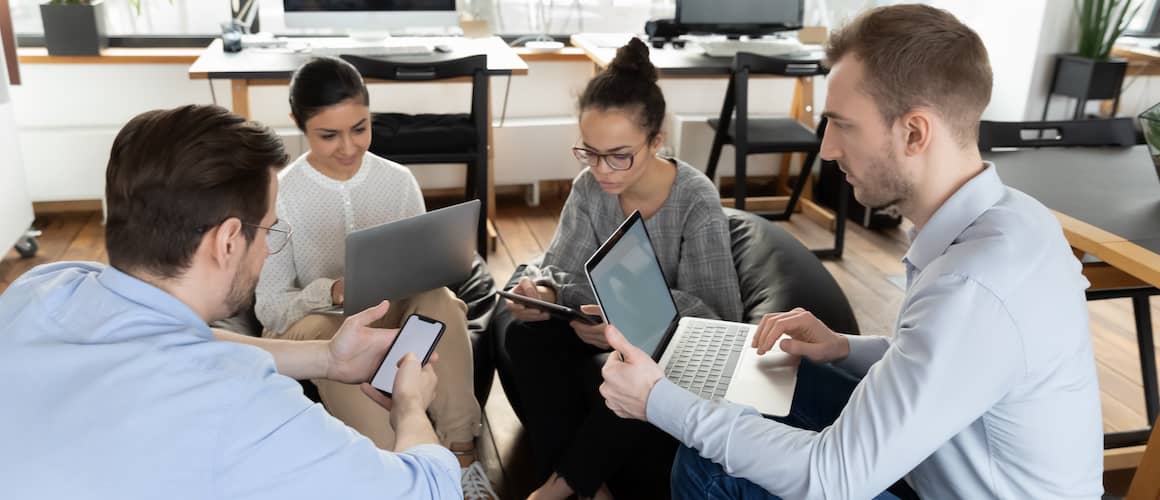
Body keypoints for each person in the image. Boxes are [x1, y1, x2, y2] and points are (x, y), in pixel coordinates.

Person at [599, 4, 1103, 499]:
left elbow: (830, 480)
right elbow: (946, 360)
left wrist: (656, 399)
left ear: (914, 132)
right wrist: (842, 346)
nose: (827, 149)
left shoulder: (973, 284)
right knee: (785, 374)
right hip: (942, 465)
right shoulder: (1015, 218)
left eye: (842, 124)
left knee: (709, 465)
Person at [0, 104, 461, 498]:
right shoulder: (244, 406)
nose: (267, 248)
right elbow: (430, 490)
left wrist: (325, 358)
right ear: (227, 241)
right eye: (268, 229)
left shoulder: (43, 286)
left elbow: (173, 341)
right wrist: (409, 408)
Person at [500, 38, 743, 500]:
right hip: (603, 327)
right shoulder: (589, 189)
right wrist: (551, 296)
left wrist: (633, 316)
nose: (603, 170)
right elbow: (560, 270)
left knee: (636, 367)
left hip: (669, 347)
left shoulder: (695, 199)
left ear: (656, 141)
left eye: (619, 155)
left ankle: (562, 485)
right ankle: (590, 487)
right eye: (589, 153)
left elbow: (721, 317)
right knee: (522, 335)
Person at [252, 56, 493, 495]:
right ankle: (399, 464)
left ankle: (462, 453)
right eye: (329, 135)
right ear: (298, 124)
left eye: (360, 128)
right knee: (327, 332)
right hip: (321, 323)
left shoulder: (398, 180)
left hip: (392, 309)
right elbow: (269, 305)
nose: (348, 147)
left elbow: (426, 269)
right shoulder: (280, 195)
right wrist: (331, 290)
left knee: (439, 298)